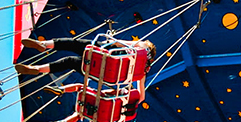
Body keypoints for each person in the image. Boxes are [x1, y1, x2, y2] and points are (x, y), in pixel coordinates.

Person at [15, 36, 155, 79]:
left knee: (73, 44)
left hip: (104, 53)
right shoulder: (142, 72)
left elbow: (119, 43)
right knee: (69, 62)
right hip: (102, 73)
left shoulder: (142, 46)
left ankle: (43, 44)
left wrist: (109, 39)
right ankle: (37, 69)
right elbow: (140, 96)